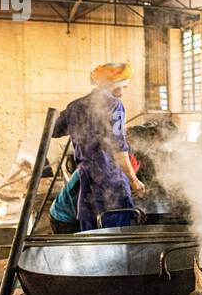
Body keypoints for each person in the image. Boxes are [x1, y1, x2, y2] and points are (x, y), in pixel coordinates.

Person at [53, 62, 145, 231]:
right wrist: (134, 180)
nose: (124, 90)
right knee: (114, 233)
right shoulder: (114, 105)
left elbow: (53, 130)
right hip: (110, 179)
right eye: (124, 84)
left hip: (86, 179)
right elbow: (118, 148)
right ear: (113, 83)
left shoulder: (75, 106)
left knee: (90, 234)